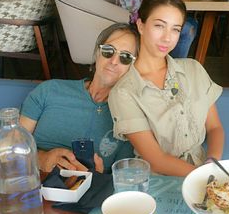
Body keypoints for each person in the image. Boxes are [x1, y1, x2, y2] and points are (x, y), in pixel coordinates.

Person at [109, 0, 224, 177]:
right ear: (140, 25)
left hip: (204, 172)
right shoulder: (125, 91)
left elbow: (215, 127)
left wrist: (212, 164)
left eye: (175, 29)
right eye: (159, 26)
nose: (167, 38)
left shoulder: (193, 69)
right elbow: (157, 160)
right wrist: (203, 177)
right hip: (158, 182)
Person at [19, 23, 139, 173]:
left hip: (90, 194)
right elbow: (10, 149)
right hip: (29, 186)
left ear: (134, 67)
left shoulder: (130, 119)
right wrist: (41, 159)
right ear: (97, 53)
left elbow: (123, 179)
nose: (114, 61)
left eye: (125, 57)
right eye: (108, 51)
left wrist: (99, 178)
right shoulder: (50, 90)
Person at [117, 0, 218, 58]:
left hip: (150, 14)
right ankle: (173, 71)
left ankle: (168, 64)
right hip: (134, 19)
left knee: (192, 23)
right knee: (187, 29)